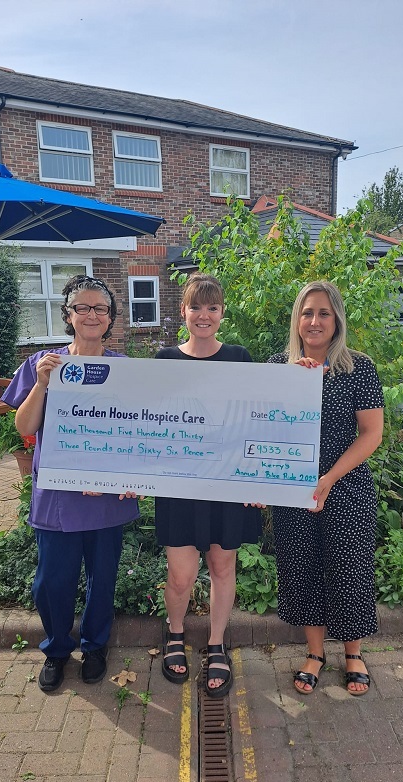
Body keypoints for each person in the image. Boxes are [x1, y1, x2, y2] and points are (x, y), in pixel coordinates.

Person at [2, 275, 139, 693]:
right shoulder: (43, 364)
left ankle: (95, 646)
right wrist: (43, 384)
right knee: (51, 582)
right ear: (68, 315)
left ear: (111, 318)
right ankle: (57, 649)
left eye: (100, 308)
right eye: (83, 307)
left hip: (106, 497)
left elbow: (140, 432)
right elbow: (24, 426)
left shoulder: (126, 370)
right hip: (58, 496)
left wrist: (135, 477)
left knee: (103, 578)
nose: (92, 314)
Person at [268, 280, 384, 697]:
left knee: (349, 568)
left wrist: (330, 478)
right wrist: (289, 383)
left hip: (345, 486)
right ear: (297, 320)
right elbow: (264, 425)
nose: (314, 321)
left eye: (323, 313)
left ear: (336, 321)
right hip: (293, 490)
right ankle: (315, 653)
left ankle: (353, 653)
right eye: (306, 312)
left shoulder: (358, 368)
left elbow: (371, 434)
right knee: (303, 569)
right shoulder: (279, 366)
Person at [155, 273, 262, 697]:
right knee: (181, 577)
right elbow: (148, 422)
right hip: (180, 486)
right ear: (182, 312)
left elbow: (257, 417)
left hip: (228, 485)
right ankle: (175, 634)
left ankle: (217, 642)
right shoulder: (164, 360)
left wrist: (258, 478)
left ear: (221, 313)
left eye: (212, 307)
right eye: (195, 307)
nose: (204, 315)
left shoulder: (239, 357)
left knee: (222, 567)